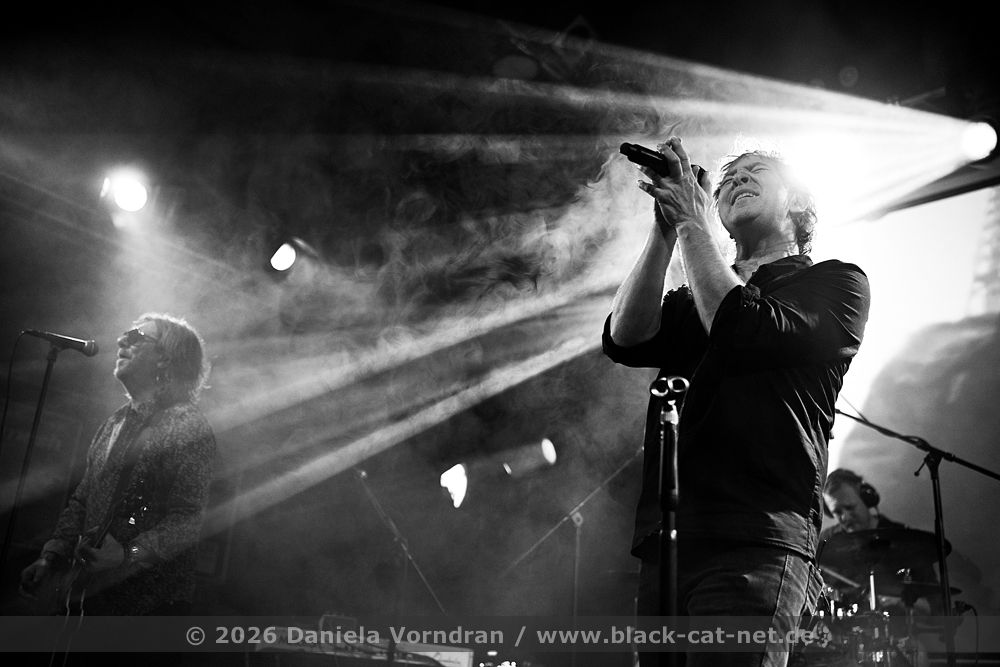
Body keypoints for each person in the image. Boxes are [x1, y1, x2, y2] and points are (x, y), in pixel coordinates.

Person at [602, 136, 870, 667]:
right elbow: (625, 337)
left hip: (758, 536)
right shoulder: (693, 296)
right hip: (671, 537)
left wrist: (692, 223)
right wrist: (665, 230)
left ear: (798, 201)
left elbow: (740, 327)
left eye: (756, 171)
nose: (736, 180)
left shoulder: (835, 283)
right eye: (726, 179)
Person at [19, 312, 216, 616]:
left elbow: (188, 520)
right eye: (125, 334)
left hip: (149, 608)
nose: (121, 340)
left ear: (164, 359)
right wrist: (51, 556)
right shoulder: (114, 422)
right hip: (90, 600)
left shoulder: (186, 424)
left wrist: (127, 554)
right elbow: (83, 500)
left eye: (136, 337)